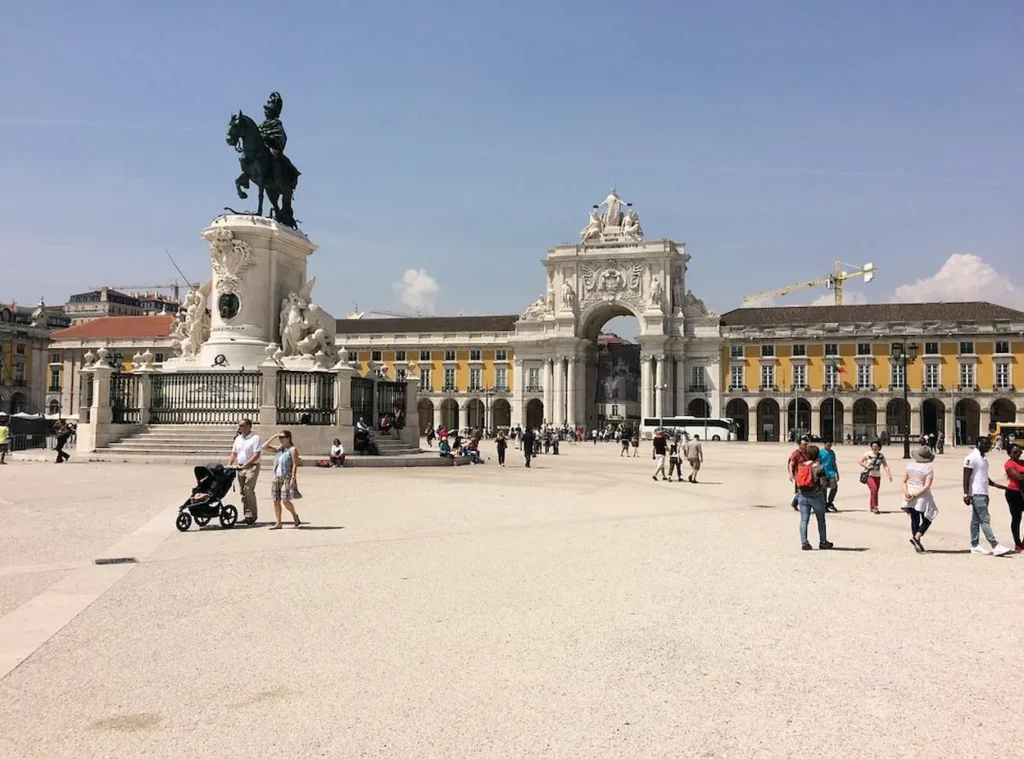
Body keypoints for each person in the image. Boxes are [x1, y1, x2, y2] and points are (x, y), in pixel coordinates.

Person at [962, 436, 1012, 555]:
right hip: (976, 493)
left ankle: (975, 545)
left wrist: (995, 484)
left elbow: (982, 476)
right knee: (985, 519)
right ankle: (995, 545)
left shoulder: (983, 458)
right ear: (979, 443)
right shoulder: (971, 457)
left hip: (984, 492)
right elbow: (966, 477)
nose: (989, 446)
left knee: (975, 520)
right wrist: (966, 494)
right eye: (986, 444)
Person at [795, 445, 833, 551]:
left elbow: (797, 481)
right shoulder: (819, 467)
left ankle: (804, 542)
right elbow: (823, 483)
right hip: (816, 495)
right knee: (821, 520)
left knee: (804, 519)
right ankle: (823, 542)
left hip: (802, 495)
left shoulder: (801, 466)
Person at [262, 430, 301, 530]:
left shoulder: (292, 450)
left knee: (285, 500)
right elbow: (264, 447)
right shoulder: (279, 449)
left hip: (287, 476)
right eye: (280, 438)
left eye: (282, 437)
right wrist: (274, 437)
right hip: (277, 476)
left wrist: (293, 477)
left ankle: (294, 515)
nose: (281, 439)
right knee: (276, 500)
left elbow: (295, 464)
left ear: (288, 438)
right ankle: (278, 522)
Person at [902, 445, 938, 552]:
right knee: (930, 515)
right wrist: (916, 495)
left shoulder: (909, 466)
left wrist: (906, 493)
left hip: (909, 491)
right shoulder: (928, 469)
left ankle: (916, 541)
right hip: (921, 494)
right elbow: (927, 485)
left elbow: (903, 481)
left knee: (914, 518)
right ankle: (917, 537)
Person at [228, 418, 261, 524]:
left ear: (248, 426)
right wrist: (230, 464)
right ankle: (247, 515)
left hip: (252, 467)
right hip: (240, 467)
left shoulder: (255, 438)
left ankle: (253, 515)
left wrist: (247, 464)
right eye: (239, 425)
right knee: (243, 491)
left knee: (248, 489)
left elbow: (257, 454)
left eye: (242, 425)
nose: (240, 427)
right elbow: (234, 453)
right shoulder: (238, 439)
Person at [859, 441, 892, 514]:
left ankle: (872, 506)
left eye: (876, 446)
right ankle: (875, 506)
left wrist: (889, 474)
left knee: (875, 491)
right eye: (873, 446)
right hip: (869, 475)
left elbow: (885, 465)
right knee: (874, 489)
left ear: (879, 447)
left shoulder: (881, 456)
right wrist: (866, 466)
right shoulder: (868, 454)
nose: (874, 448)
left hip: (877, 476)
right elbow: (860, 461)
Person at [1003, 445, 1024, 551]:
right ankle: (1017, 542)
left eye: (1020, 452)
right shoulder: (1009, 464)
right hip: (1014, 493)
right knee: (1017, 518)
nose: (1018, 454)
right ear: (1010, 453)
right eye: (1015, 452)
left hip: (1023, 492)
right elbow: (1018, 477)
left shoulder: (1022, 462)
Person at [787, 437, 811, 511]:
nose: (805, 446)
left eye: (806, 444)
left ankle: (795, 502)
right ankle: (799, 504)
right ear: (800, 445)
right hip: (799, 474)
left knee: (803, 489)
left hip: (806, 473)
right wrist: (791, 474)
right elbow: (791, 464)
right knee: (801, 489)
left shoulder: (808, 452)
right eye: (804, 444)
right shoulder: (796, 453)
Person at [818, 439, 839, 512]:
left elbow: (834, 463)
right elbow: (818, 462)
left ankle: (830, 502)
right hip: (823, 473)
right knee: (823, 488)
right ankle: (824, 504)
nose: (829, 446)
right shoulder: (820, 453)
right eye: (828, 445)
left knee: (834, 487)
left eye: (830, 445)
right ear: (824, 444)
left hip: (831, 472)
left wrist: (837, 473)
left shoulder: (832, 452)